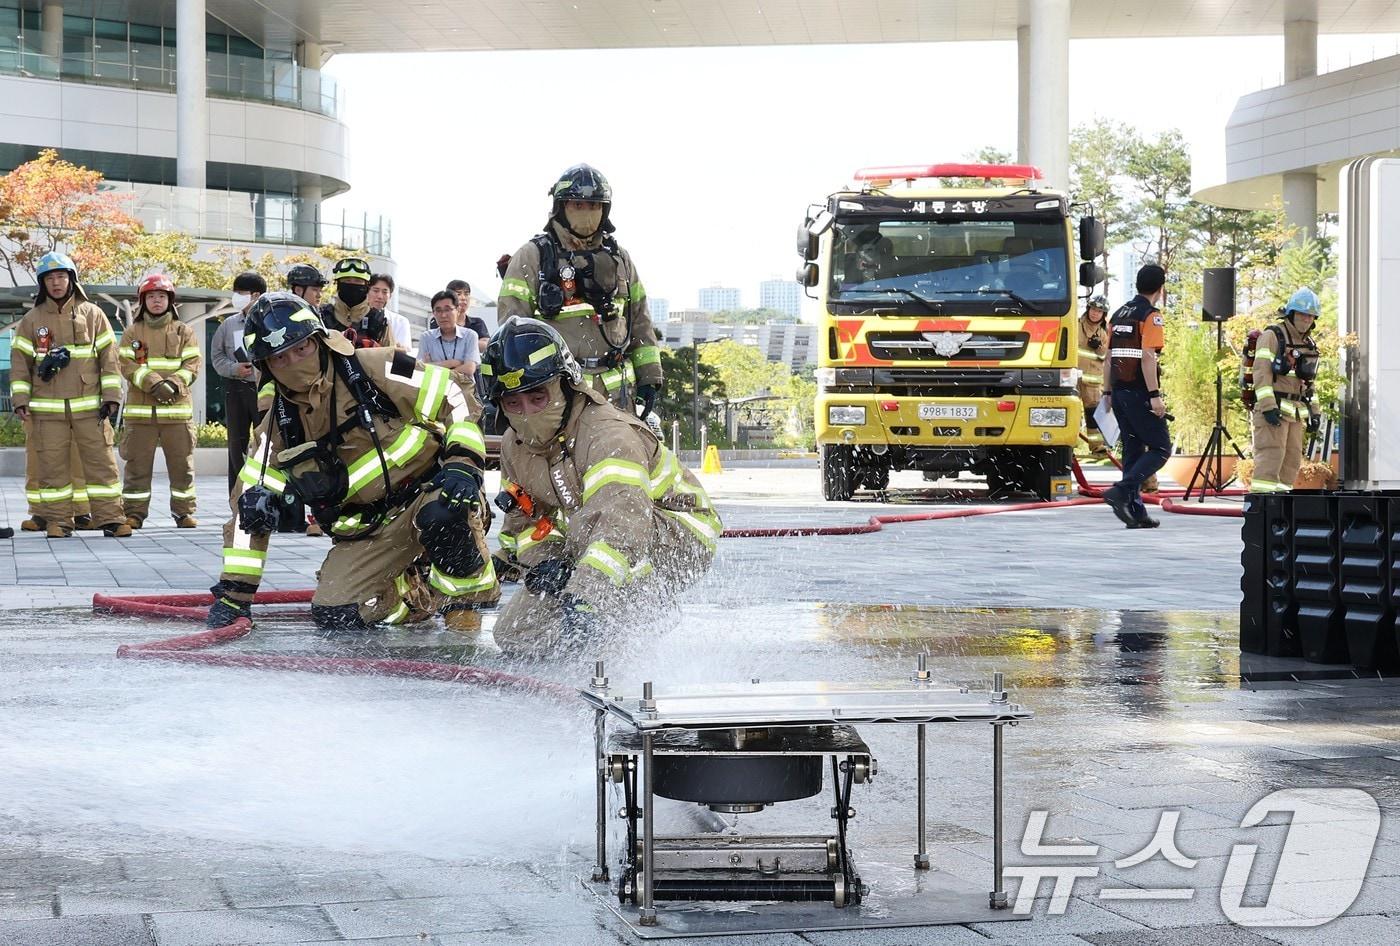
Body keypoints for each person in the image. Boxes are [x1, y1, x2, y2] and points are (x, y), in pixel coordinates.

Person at [207, 292, 497, 632]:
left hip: (429, 494)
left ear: (319, 340)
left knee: (444, 516)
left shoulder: (377, 366)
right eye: (280, 358)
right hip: (371, 529)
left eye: (302, 349)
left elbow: (454, 394)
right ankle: (412, 592)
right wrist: (234, 595)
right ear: (266, 367)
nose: (295, 363)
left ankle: (464, 607)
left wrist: (463, 462)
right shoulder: (277, 426)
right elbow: (248, 510)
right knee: (337, 614)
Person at [484, 318, 720, 657]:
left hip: (677, 536)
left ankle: (646, 610)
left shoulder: (608, 434)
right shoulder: (514, 445)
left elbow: (621, 524)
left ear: (565, 386)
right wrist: (549, 564)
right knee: (517, 636)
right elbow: (527, 523)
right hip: (593, 536)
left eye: (538, 397)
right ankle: (605, 605)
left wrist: (583, 598)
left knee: (602, 636)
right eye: (513, 403)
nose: (527, 413)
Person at [498, 165, 662, 417]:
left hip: (617, 398)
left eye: (594, 206)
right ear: (561, 207)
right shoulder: (532, 256)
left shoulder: (620, 258)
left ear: (605, 210)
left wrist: (649, 376)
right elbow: (512, 331)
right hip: (559, 395)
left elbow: (639, 320)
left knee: (620, 457)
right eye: (577, 205)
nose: (586, 213)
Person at [8, 252, 131, 538]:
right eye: (50, 278)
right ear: (42, 283)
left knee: (102, 465)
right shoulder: (32, 320)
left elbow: (109, 359)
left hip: (91, 410)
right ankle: (59, 521)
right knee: (52, 469)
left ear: (71, 279)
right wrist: (21, 401)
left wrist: (112, 396)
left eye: (61, 276)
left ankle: (111, 519)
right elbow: (19, 366)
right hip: (47, 412)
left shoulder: (93, 314)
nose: (56, 283)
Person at [118, 274, 201, 529]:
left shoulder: (184, 331)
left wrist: (173, 385)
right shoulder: (132, 332)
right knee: (136, 468)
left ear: (170, 300)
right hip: (141, 417)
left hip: (176, 415)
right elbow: (126, 363)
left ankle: (183, 513)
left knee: (182, 468)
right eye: (152, 297)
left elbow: (192, 365)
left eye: (161, 296)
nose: (157, 301)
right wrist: (154, 383)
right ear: (143, 301)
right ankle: (134, 514)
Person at [1101, 265, 1170, 529]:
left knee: (1132, 451)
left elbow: (1108, 358)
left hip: (1118, 393)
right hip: (1140, 393)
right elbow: (1148, 356)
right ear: (1160, 289)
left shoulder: (1118, 315)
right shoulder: (1151, 316)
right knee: (1161, 448)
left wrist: (1107, 391)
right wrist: (1155, 395)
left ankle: (1136, 513)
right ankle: (1123, 489)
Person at [1251, 288, 1323, 492]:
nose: (1306, 319)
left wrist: (1315, 413)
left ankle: (1281, 508)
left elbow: (1309, 383)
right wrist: (1267, 407)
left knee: (1291, 462)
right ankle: (1261, 507)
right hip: (1273, 410)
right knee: (1270, 458)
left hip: (1295, 413)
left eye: (1310, 315)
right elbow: (1261, 372)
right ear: (1291, 314)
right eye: (1302, 314)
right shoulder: (1273, 336)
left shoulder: (1308, 344)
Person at [211, 271, 267, 492]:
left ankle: (265, 492)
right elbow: (216, 356)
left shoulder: (269, 321)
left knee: (267, 441)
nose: (237, 297)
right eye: (235, 293)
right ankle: (236, 495)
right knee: (236, 443)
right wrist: (234, 369)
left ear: (256, 295)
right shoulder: (228, 325)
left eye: (241, 293)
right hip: (236, 389)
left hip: (264, 389)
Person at [418, 290, 481, 411]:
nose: (443, 315)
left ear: (457, 310)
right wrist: (453, 363)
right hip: (435, 397)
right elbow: (421, 369)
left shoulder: (470, 335)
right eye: (438, 310)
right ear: (433, 313)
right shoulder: (426, 337)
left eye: (448, 309)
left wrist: (434, 366)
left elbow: (469, 369)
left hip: (464, 395)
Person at [321, 256, 391, 348]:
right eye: (347, 280)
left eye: (358, 281)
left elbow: (389, 357)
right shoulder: (322, 317)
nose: (352, 284)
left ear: (366, 286)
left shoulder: (379, 322)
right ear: (338, 284)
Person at [1077, 295, 1112, 461]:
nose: (1095, 314)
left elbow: (1106, 356)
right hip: (1074, 378)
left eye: (1099, 311)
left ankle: (1097, 448)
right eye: (1093, 309)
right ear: (1088, 309)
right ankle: (1069, 445)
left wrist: (1098, 347)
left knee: (1093, 417)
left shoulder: (1104, 334)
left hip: (1092, 383)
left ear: (1103, 314)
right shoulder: (1075, 326)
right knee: (1072, 414)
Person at [369, 273, 413, 352]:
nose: (380, 296)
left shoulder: (401, 322)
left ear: (390, 296)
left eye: (385, 292)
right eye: (376, 291)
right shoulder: (357, 316)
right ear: (367, 292)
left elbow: (404, 351)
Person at [446, 279, 490, 359]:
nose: (463, 298)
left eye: (466, 294)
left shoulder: (478, 323)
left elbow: (485, 345)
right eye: (458, 294)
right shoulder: (440, 320)